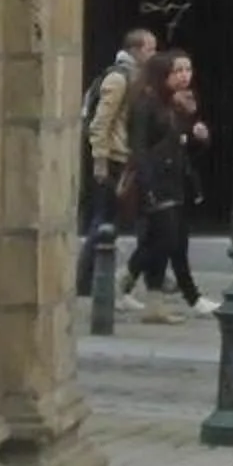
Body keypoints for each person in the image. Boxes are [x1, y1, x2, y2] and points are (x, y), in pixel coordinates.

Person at [125, 48, 214, 321]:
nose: (184, 76)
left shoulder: (179, 103)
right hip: (156, 182)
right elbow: (140, 148)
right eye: (177, 71)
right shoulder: (146, 103)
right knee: (164, 241)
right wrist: (147, 186)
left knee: (166, 241)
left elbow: (184, 147)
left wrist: (199, 136)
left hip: (177, 181)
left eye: (187, 70)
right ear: (162, 75)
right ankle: (172, 300)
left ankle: (126, 285)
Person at [76, 25, 155, 298]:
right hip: (112, 159)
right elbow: (101, 123)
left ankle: (94, 278)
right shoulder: (119, 79)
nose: (153, 54)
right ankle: (86, 279)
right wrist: (100, 160)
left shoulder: (136, 78)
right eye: (149, 49)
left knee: (111, 220)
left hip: (123, 158)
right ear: (135, 50)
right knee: (103, 221)